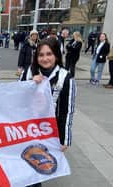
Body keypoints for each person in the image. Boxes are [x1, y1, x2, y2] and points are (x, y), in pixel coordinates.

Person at [20, 37, 76, 187]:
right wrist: (30, 83)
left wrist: (64, 139)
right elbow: (17, 100)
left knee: (37, 169)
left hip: (48, 132)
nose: (45, 58)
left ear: (56, 55)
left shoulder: (65, 77)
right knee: (22, 167)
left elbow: (67, 111)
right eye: (41, 55)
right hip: (26, 130)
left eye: (49, 54)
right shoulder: (28, 72)